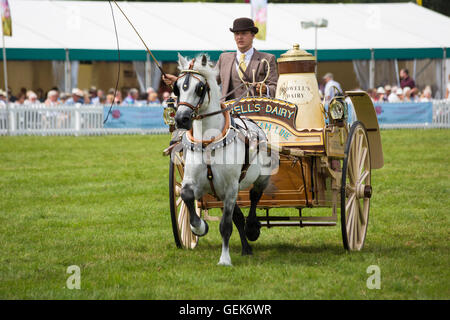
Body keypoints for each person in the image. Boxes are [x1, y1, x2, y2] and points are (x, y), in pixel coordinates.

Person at [162, 17, 278, 99]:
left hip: (259, 113)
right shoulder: (224, 58)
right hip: (230, 114)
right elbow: (208, 82)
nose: (239, 37)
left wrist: (265, 89)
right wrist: (177, 81)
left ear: (253, 35)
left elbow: (275, 87)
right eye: (236, 34)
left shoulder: (268, 59)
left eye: (244, 33)